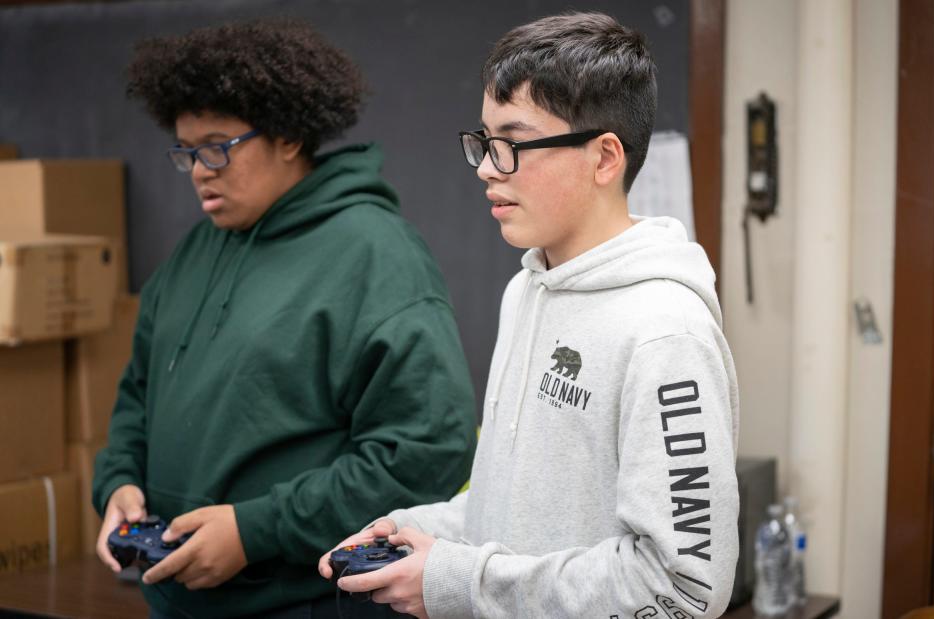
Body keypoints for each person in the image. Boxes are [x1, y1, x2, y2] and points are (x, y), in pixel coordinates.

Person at [320, 12, 740, 619]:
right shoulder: (527, 290)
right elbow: (521, 514)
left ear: (604, 158)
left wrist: (460, 581)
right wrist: (417, 531)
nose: (488, 168)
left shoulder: (665, 331)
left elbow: (682, 589)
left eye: (512, 144)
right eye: (485, 143)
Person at [92, 18, 477, 619]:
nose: (199, 169)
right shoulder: (194, 253)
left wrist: (257, 531)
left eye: (217, 146)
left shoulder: (375, 255)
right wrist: (117, 484)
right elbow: (138, 396)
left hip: (307, 603)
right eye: (186, 151)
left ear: (289, 137)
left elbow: (426, 452)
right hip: (176, 601)